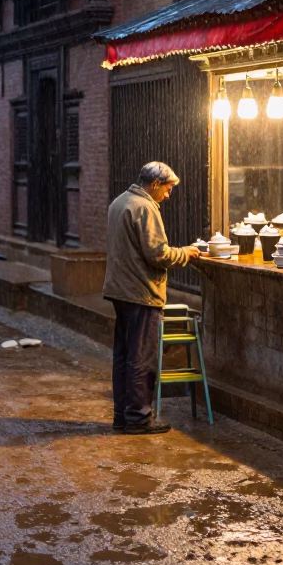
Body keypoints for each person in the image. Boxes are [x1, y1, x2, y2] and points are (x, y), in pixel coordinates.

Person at [103, 162, 202, 436]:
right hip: (141, 292)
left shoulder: (119, 202)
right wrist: (186, 253)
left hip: (120, 290)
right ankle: (139, 417)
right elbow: (158, 254)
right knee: (142, 358)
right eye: (167, 189)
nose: (168, 195)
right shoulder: (145, 207)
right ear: (155, 184)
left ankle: (122, 415)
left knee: (124, 356)